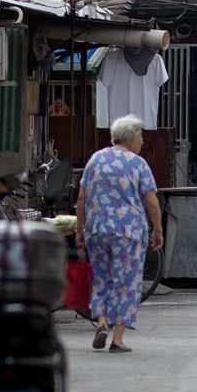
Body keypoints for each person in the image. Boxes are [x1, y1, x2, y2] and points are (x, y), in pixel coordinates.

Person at [76, 115, 162, 353]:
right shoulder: (137, 164)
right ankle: (118, 339)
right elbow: (152, 203)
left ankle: (102, 322)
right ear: (131, 137)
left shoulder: (96, 159)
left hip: (97, 228)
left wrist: (80, 229)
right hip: (128, 231)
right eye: (141, 136)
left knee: (101, 277)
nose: (143, 141)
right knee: (127, 282)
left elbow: (82, 197)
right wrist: (158, 229)